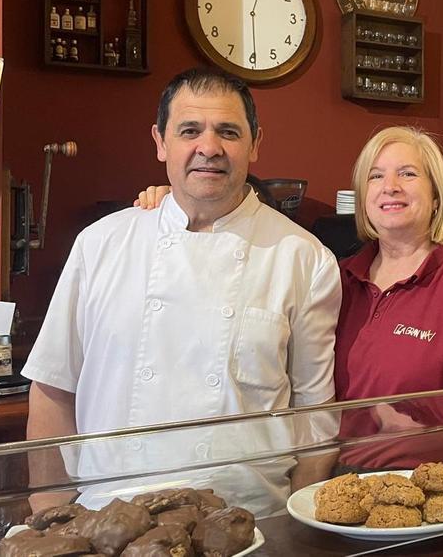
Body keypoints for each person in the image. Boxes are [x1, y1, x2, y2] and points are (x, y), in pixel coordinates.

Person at [137, 126, 443, 407]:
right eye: (376, 176)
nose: (390, 186)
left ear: (436, 193)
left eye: (408, 173)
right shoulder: (334, 277)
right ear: (362, 197)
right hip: (334, 493)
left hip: (439, 495)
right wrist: (180, 207)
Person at [23, 67, 341, 510]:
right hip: (108, 519)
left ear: (255, 143)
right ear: (160, 141)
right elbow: (54, 389)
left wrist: (297, 526)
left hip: (250, 521)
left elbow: (314, 414)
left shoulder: (303, 258)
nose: (208, 148)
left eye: (228, 131)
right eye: (190, 130)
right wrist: (50, 520)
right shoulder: (100, 244)